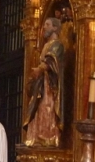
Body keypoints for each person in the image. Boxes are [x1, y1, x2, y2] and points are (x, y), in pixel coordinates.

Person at [23, 17, 64, 147]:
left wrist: (40, 69)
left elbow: (52, 60)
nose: (44, 27)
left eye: (48, 24)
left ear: (55, 28)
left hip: (49, 85)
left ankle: (49, 137)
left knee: (47, 107)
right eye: (44, 24)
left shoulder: (58, 45)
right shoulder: (46, 45)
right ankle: (37, 136)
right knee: (39, 108)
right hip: (42, 82)